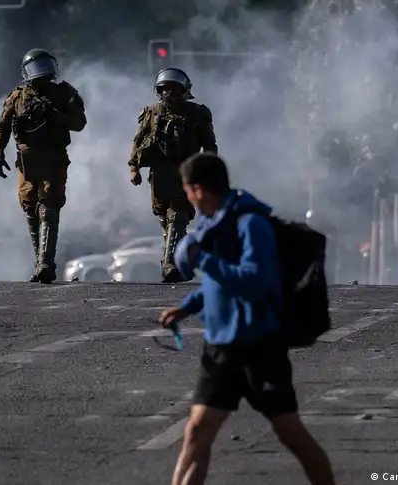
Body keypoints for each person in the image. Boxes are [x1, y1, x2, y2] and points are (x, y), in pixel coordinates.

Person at [158, 153, 335, 485]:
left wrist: (202, 259)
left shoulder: (250, 224)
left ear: (198, 189)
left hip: (259, 348)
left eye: (187, 192)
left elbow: (254, 281)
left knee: (290, 433)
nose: (188, 200)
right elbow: (219, 284)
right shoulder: (215, 224)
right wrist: (188, 307)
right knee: (197, 432)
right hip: (221, 348)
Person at [0, 48, 87, 283]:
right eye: (36, 68)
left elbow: (79, 123)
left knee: (49, 205)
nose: (41, 73)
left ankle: (46, 262)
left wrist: (57, 116)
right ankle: (40, 262)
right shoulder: (17, 97)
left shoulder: (64, 93)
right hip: (27, 159)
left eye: (45, 66)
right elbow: (3, 127)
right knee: (29, 206)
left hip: (54, 156)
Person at [129, 68, 218, 283]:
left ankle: (169, 264)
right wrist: (134, 168)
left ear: (184, 91)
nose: (169, 93)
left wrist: (207, 172)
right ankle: (180, 260)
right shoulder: (151, 113)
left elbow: (210, 146)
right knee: (165, 219)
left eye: (174, 88)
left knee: (177, 216)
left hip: (186, 173)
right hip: (160, 175)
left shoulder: (197, 114)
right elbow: (138, 142)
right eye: (165, 88)